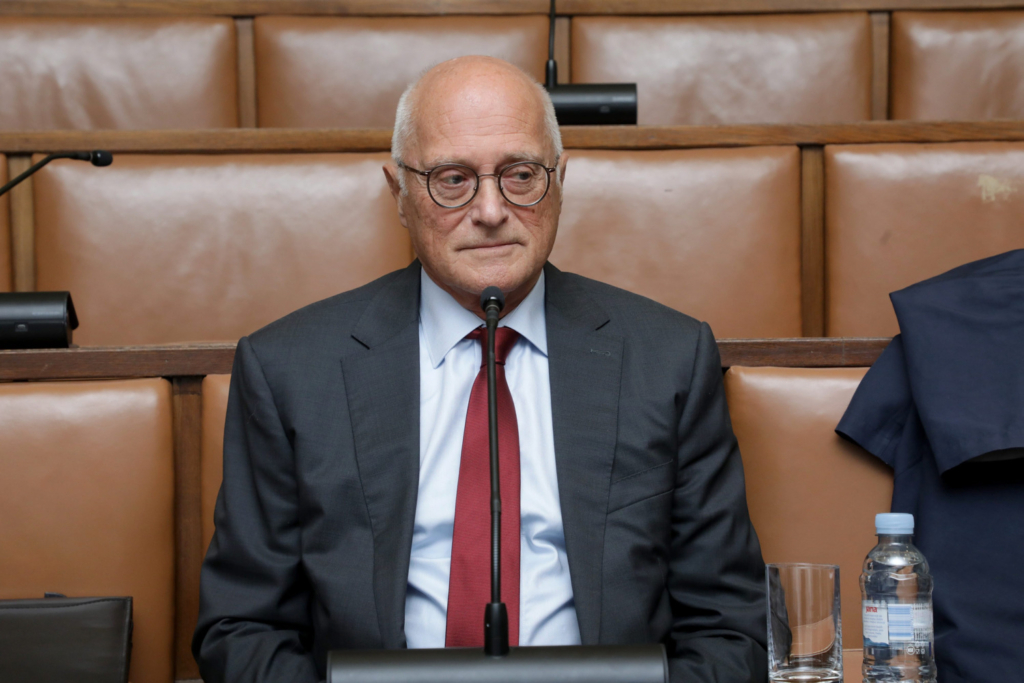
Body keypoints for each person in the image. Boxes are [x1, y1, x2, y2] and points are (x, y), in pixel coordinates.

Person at [194, 56, 767, 683]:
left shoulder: (668, 359)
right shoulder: (290, 371)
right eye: (452, 179)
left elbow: (728, 628)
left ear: (560, 181)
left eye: (520, 175)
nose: (491, 209)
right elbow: (242, 629)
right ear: (399, 194)